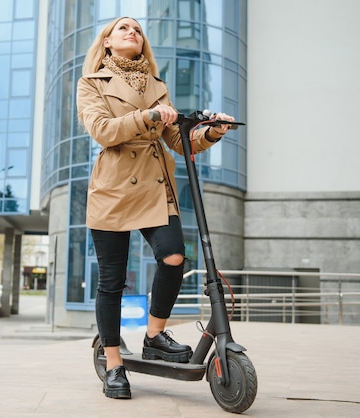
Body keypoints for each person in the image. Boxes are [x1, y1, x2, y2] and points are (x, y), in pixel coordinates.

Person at [76, 17, 235, 399]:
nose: (133, 32)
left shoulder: (157, 87)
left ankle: (153, 335)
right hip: (113, 186)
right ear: (108, 43)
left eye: (137, 29)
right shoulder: (91, 84)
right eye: (123, 28)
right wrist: (145, 116)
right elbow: (102, 131)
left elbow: (178, 142)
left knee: (174, 256)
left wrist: (210, 131)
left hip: (154, 183)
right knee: (112, 280)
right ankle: (114, 363)